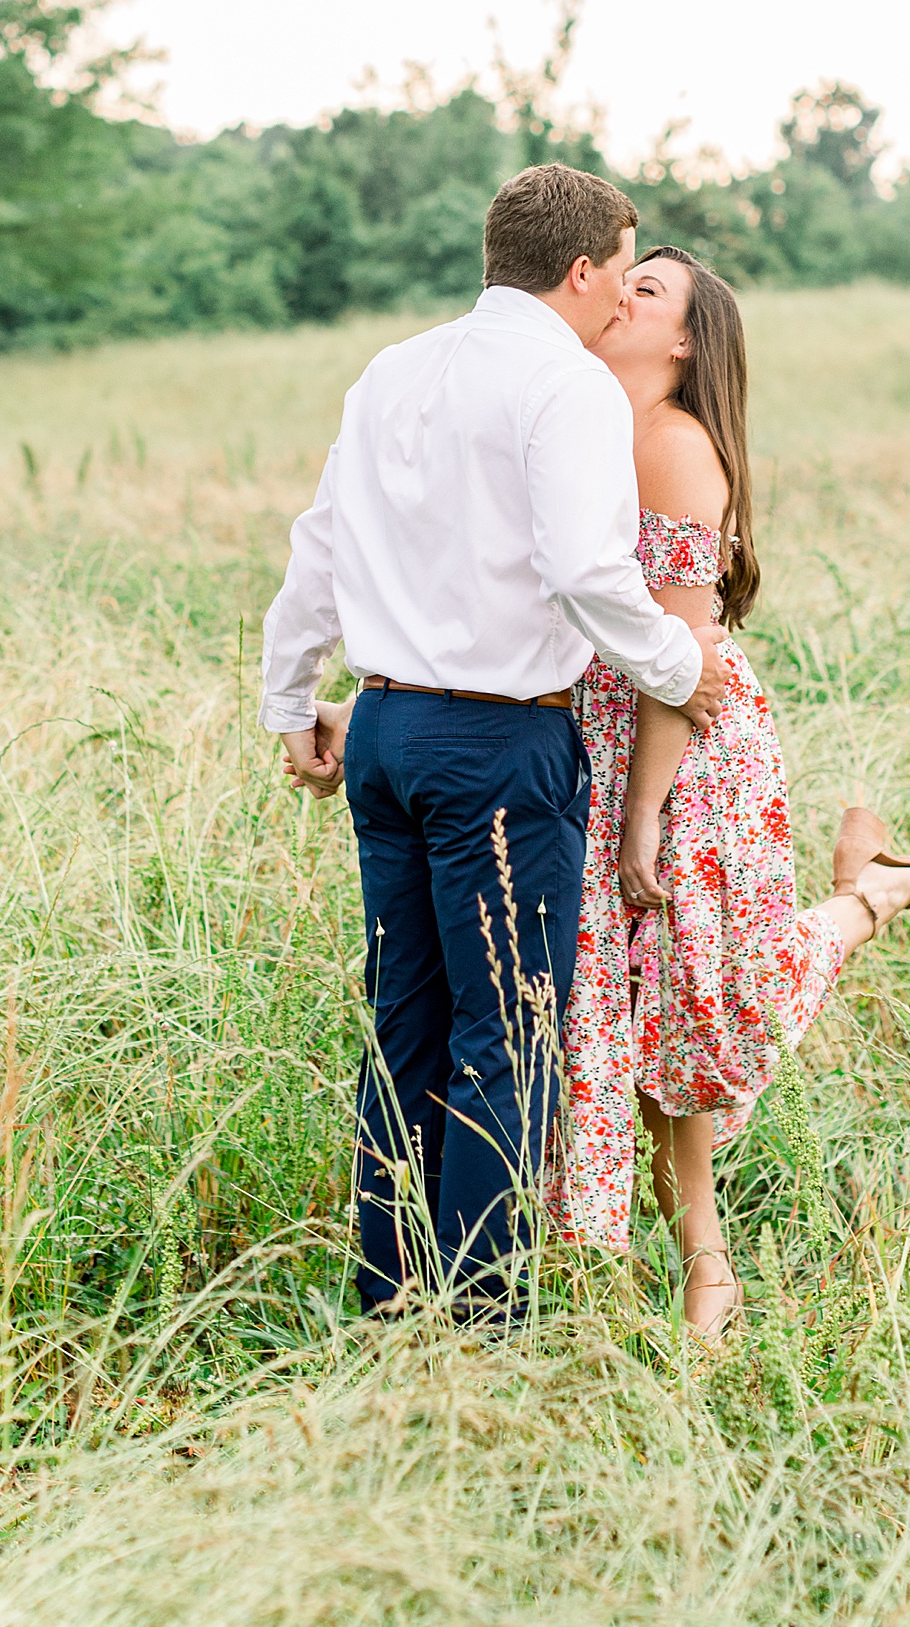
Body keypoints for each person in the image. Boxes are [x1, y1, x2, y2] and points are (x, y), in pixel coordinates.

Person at [259, 165, 731, 1324]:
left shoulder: (392, 367)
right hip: (500, 747)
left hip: (382, 728)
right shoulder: (561, 384)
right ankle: (482, 1326)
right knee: (506, 1034)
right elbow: (585, 571)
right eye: (625, 270)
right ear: (581, 270)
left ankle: (390, 1300)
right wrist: (683, 668)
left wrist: (289, 703)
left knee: (404, 1026)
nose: (628, 294)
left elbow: (319, 546)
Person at [543, 245, 910, 1340]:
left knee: (706, 1003)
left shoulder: (675, 449)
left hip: (686, 754)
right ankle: (692, 1269)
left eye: (653, 288)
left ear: (683, 341)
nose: (625, 292)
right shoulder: (583, 425)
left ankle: (875, 889)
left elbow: (685, 654)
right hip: (593, 738)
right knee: (642, 1012)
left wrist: (640, 815)